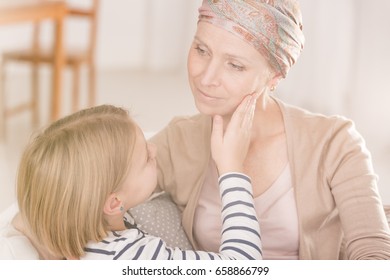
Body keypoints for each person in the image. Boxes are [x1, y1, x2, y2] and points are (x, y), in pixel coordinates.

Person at [148, 0, 390, 259]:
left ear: (275, 76)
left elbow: (374, 254)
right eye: (201, 50)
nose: (206, 77)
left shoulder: (334, 143)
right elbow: (108, 187)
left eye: (235, 65)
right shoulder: (180, 139)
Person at [7, 103, 262, 260]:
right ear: (114, 202)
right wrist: (231, 169)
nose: (155, 150)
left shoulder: (73, 223)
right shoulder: (132, 257)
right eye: (146, 158)